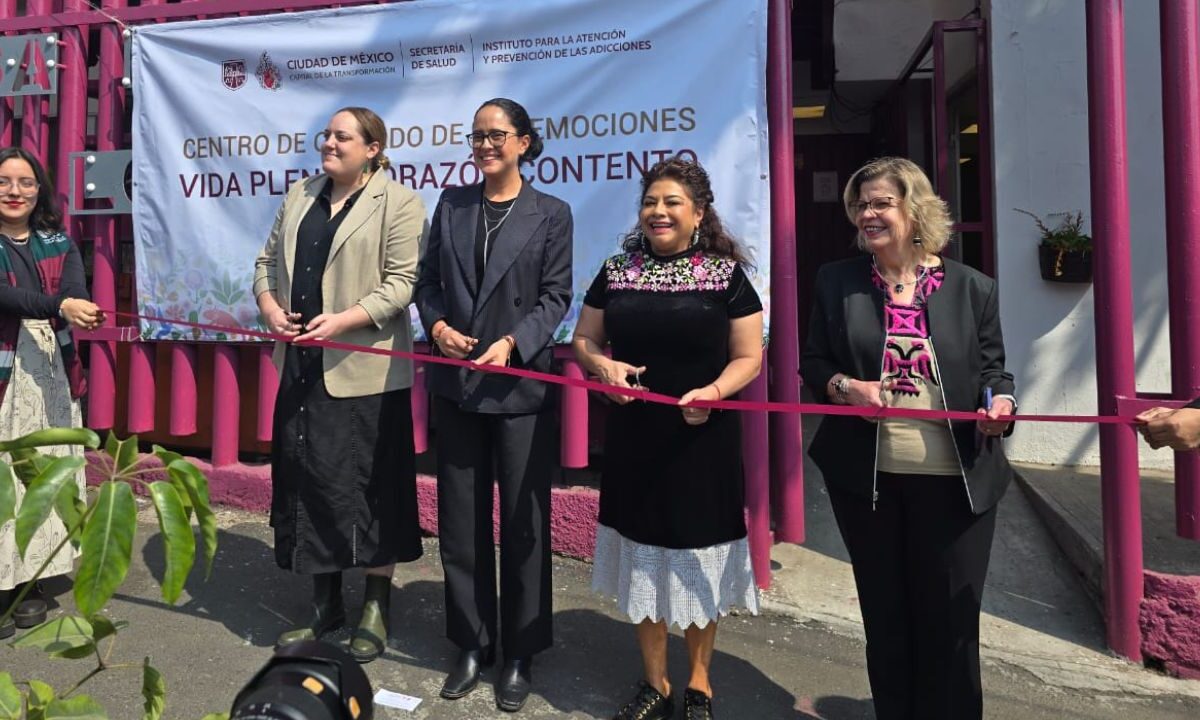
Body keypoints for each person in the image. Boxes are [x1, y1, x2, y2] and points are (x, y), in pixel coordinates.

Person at [801, 156, 1016, 720]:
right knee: (887, 616)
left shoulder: (974, 288)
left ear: (914, 209)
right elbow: (814, 363)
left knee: (950, 621)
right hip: (868, 481)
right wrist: (847, 387)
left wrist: (1002, 404)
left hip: (957, 483)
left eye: (881, 203)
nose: (867, 215)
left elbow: (995, 372)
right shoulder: (836, 281)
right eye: (861, 205)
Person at [572, 157, 763, 720]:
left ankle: (699, 682)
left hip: (703, 441)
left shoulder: (725, 276)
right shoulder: (617, 270)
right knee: (643, 559)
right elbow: (585, 339)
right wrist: (600, 369)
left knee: (699, 558)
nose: (658, 211)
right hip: (635, 439)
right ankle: (653, 682)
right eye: (651, 202)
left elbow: (750, 356)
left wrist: (715, 391)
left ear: (699, 213)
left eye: (672, 202)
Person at [252, 107, 426, 663]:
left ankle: (375, 605)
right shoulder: (300, 194)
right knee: (308, 482)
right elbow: (264, 263)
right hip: (301, 365)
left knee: (374, 487)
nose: (328, 143)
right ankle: (323, 604)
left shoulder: (398, 201)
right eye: (326, 134)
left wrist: (344, 319)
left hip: (366, 367)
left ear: (373, 148)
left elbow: (403, 284)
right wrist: (270, 306)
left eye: (341, 136)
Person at [414, 97, 572, 712]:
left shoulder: (551, 213)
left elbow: (556, 297)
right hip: (457, 386)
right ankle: (471, 643)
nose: (485, 145)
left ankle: (521, 652)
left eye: (497, 135)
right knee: (461, 521)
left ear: (525, 143)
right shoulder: (452, 205)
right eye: (477, 136)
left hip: (520, 389)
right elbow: (428, 284)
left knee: (525, 527)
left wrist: (514, 343)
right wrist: (438, 327)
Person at [0, 147, 102, 639]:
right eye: (4, 181)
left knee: (44, 471)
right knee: (5, 475)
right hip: (6, 372)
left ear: (39, 190)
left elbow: (75, 287)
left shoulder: (57, 239)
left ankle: (32, 580)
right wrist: (61, 303)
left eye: (25, 182)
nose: (14, 191)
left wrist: (78, 305)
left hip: (51, 369)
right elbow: (9, 297)